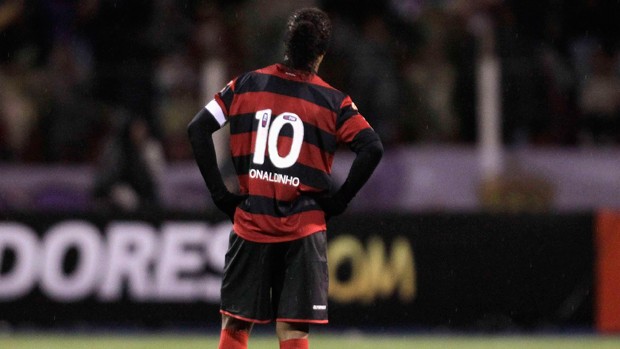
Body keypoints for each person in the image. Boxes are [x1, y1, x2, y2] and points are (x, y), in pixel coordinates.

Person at [187, 7, 383, 349]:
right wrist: (339, 200)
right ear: (321, 54)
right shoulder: (334, 102)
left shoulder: (246, 84)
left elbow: (198, 129)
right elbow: (372, 148)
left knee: (235, 326)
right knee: (293, 333)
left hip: (252, 223)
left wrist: (221, 194)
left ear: (286, 45)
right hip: (304, 230)